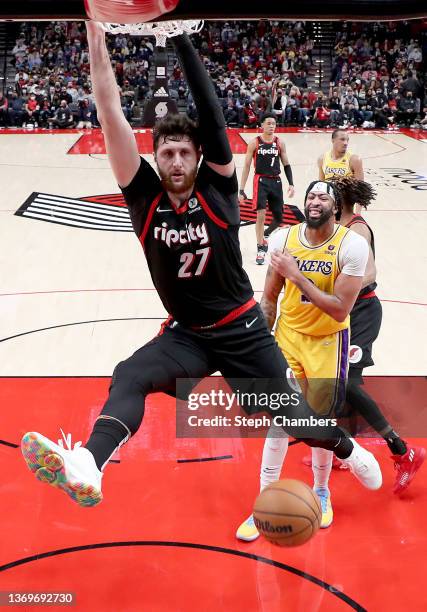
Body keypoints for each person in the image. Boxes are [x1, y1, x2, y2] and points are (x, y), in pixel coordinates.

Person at [21, 22, 381, 508]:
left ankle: (345, 446)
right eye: (166, 153)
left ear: (197, 158)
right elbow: (110, 116)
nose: (174, 161)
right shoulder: (144, 196)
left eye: (183, 153)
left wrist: (182, 38)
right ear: (156, 157)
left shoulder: (217, 193)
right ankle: (89, 462)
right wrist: (94, 34)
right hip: (188, 334)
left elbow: (212, 115)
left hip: (241, 329)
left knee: (290, 414)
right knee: (129, 374)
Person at [237, 179, 372, 540]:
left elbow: (339, 308)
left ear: (335, 205)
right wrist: (257, 349)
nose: (314, 202)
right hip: (288, 338)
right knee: (280, 421)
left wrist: (298, 275)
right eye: (311, 196)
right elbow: (269, 298)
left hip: (329, 342)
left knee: (320, 425)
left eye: (322, 197)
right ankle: (264, 501)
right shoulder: (283, 238)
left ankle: (322, 492)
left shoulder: (352, 246)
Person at [331, 178, 425, 493]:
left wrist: (340, 284)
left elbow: (369, 272)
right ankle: (346, 449)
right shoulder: (337, 226)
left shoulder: (356, 228)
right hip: (347, 312)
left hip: (363, 311)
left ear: (339, 199)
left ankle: (403, 451)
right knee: (341, 381)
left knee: (346, 382)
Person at [239, 113, 295, 265]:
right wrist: (241, 189)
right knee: (261, 215)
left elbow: (286, 164)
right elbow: (246, 167)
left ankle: (266, 234)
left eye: (274, 124)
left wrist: (291, 183)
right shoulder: (254, 142)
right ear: (262, 125)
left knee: (278, 218)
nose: (271, 126)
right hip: (261, 181)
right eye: (269, 123)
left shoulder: (279, 142)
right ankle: (260, 248)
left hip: (276, 181)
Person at [318, 129, 364, 214]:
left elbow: (360, 189)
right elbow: (321, 185)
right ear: (333, 140)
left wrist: (358, 214)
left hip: (346, 207)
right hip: (329, 206)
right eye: (342, 139)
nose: (346, 143)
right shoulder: (322, 159)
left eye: (347, 140)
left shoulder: (355, 159)